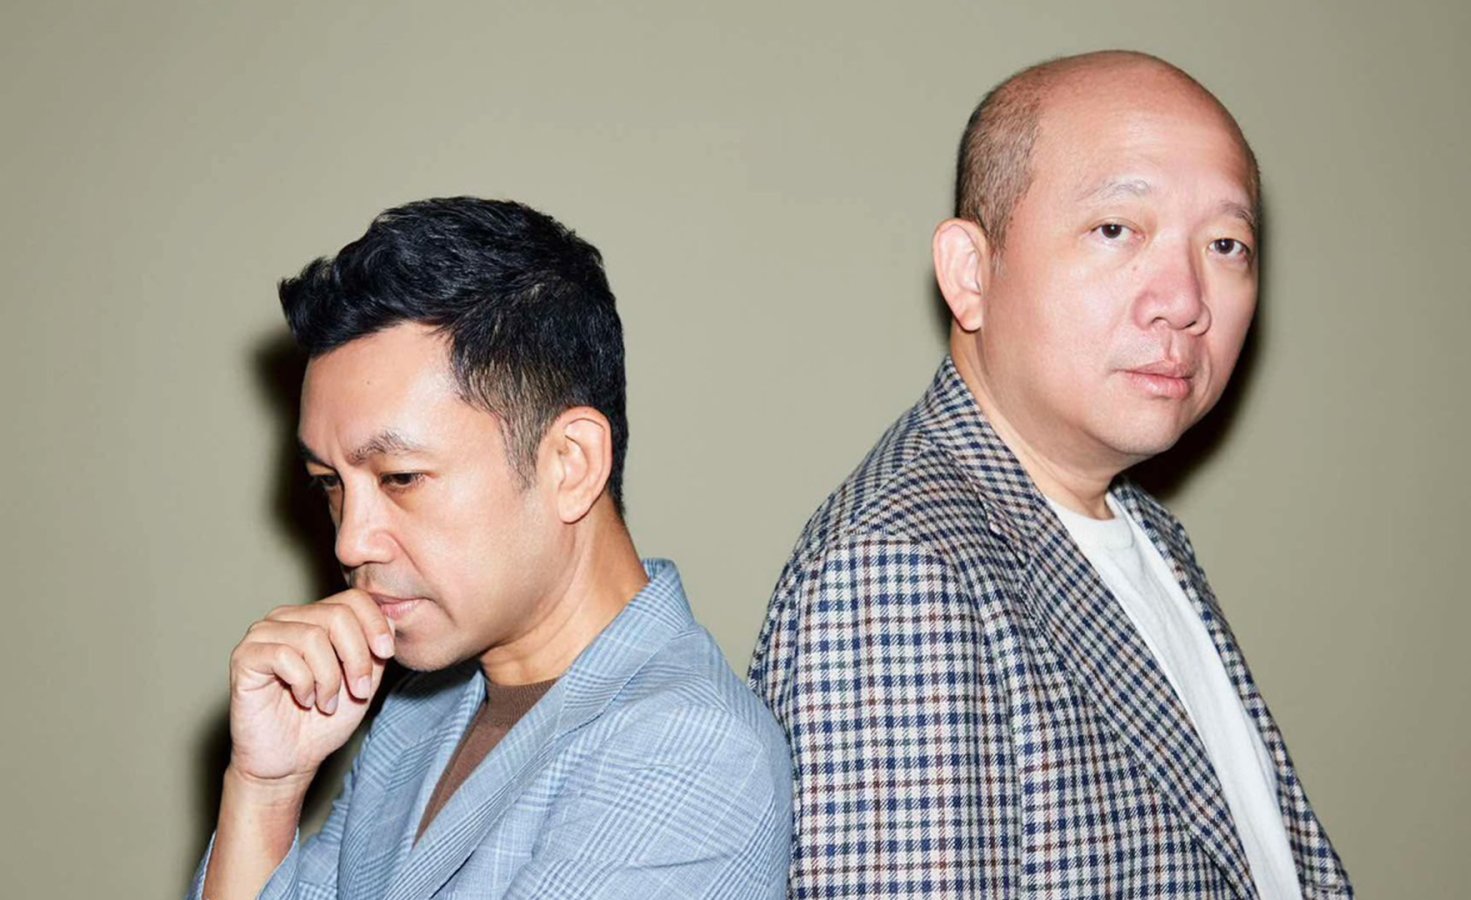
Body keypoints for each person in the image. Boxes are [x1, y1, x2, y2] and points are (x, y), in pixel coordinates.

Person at [749, 52, 1353, 898]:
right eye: (1116, 229)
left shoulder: (1143, 531)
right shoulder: (898, 568)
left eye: (1226, 244)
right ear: (971, 273)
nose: (1185, 300)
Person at [192, 197, 791, 899]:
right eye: (330, 483)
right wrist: (265, 789)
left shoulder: (688, 748)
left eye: (400, 477)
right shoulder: (422, 710)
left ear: (570, 464)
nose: (350, 541)